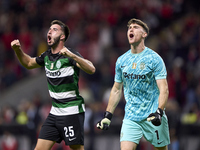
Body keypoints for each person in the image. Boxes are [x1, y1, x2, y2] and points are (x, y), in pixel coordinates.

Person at [11, 20, 96, 150]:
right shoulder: (46, 56)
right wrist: (18, 50)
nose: (49, 31)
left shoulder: (69, 56)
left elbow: (91, 69)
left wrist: (73, 55)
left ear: (62, 36)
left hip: (71, 111)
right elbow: (28, 63)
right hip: (55, 112)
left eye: (54, 29)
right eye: (49, 29)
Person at [97, 18, 170, 150]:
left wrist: (159, 111)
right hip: (131, 117)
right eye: (129, 27)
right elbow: (116, 90)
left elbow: (163, 88)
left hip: (152, 115)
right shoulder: (121, 61)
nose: (131, 29)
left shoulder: (155, 59)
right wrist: (108, 115)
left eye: (135, 27)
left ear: (144, 34)